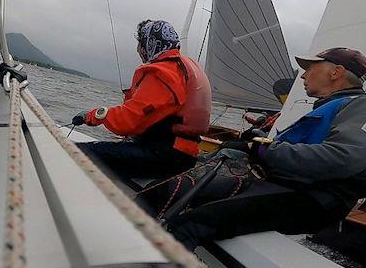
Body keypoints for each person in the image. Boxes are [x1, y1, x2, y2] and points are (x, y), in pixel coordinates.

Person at [155, 47, 366, 251]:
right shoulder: (338, 105)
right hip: (283, 187)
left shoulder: (360, 106)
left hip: (311, 201)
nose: (303, 76)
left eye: (310, 68)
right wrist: (259, 140)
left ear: (336, 72)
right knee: (168, 190)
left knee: (191, 224)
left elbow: (344, 158)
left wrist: (263, 150)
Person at [72, 20, 211, 183]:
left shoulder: (165, 73)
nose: (138, 50)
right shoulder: (183, 68)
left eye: (140, 43)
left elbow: (128, 120)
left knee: (76, 153)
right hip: (182, 155)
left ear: (150, 43)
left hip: (166, 155)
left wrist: (93, 116)